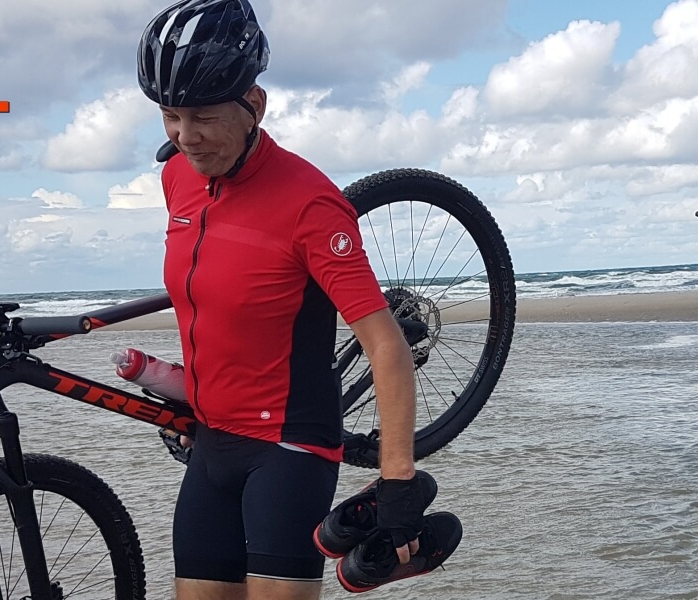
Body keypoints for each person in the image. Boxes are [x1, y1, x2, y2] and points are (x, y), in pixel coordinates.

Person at [138, 1, 431, 597]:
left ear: (254, 106)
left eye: (201, 117)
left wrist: (397, 480)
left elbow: (385, 345)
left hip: (288, 448)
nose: (184, 137)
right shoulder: (178, 179)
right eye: (170, 117)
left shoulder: (310, 205)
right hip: (212, 441)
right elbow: (210, 299)